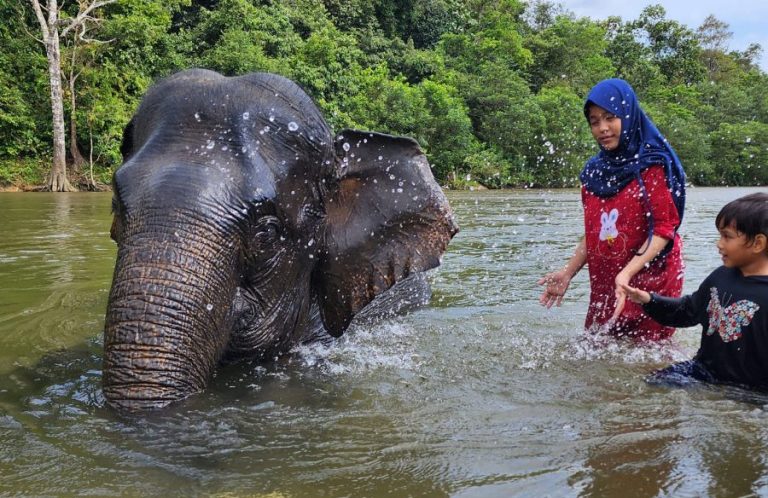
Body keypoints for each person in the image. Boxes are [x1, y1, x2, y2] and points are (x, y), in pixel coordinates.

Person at [538, 78, 686, 341]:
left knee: (649, 357)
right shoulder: (594, 172)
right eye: (594, 122)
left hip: (649, 278)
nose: (602, 128)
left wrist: (627, 274)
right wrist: (567, 273)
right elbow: (594, 231)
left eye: (610, 118)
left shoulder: (652, 164)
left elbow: (664, 231)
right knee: (599, 353)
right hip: (607, 277)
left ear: (628, 116)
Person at [621, 193, 768, 389]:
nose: (719, 244)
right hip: (703, 372)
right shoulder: (720, 277)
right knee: (651, 385)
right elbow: (688, 310)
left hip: (752, 389)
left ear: (758, 243)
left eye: (727, 236)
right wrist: (649, 300)